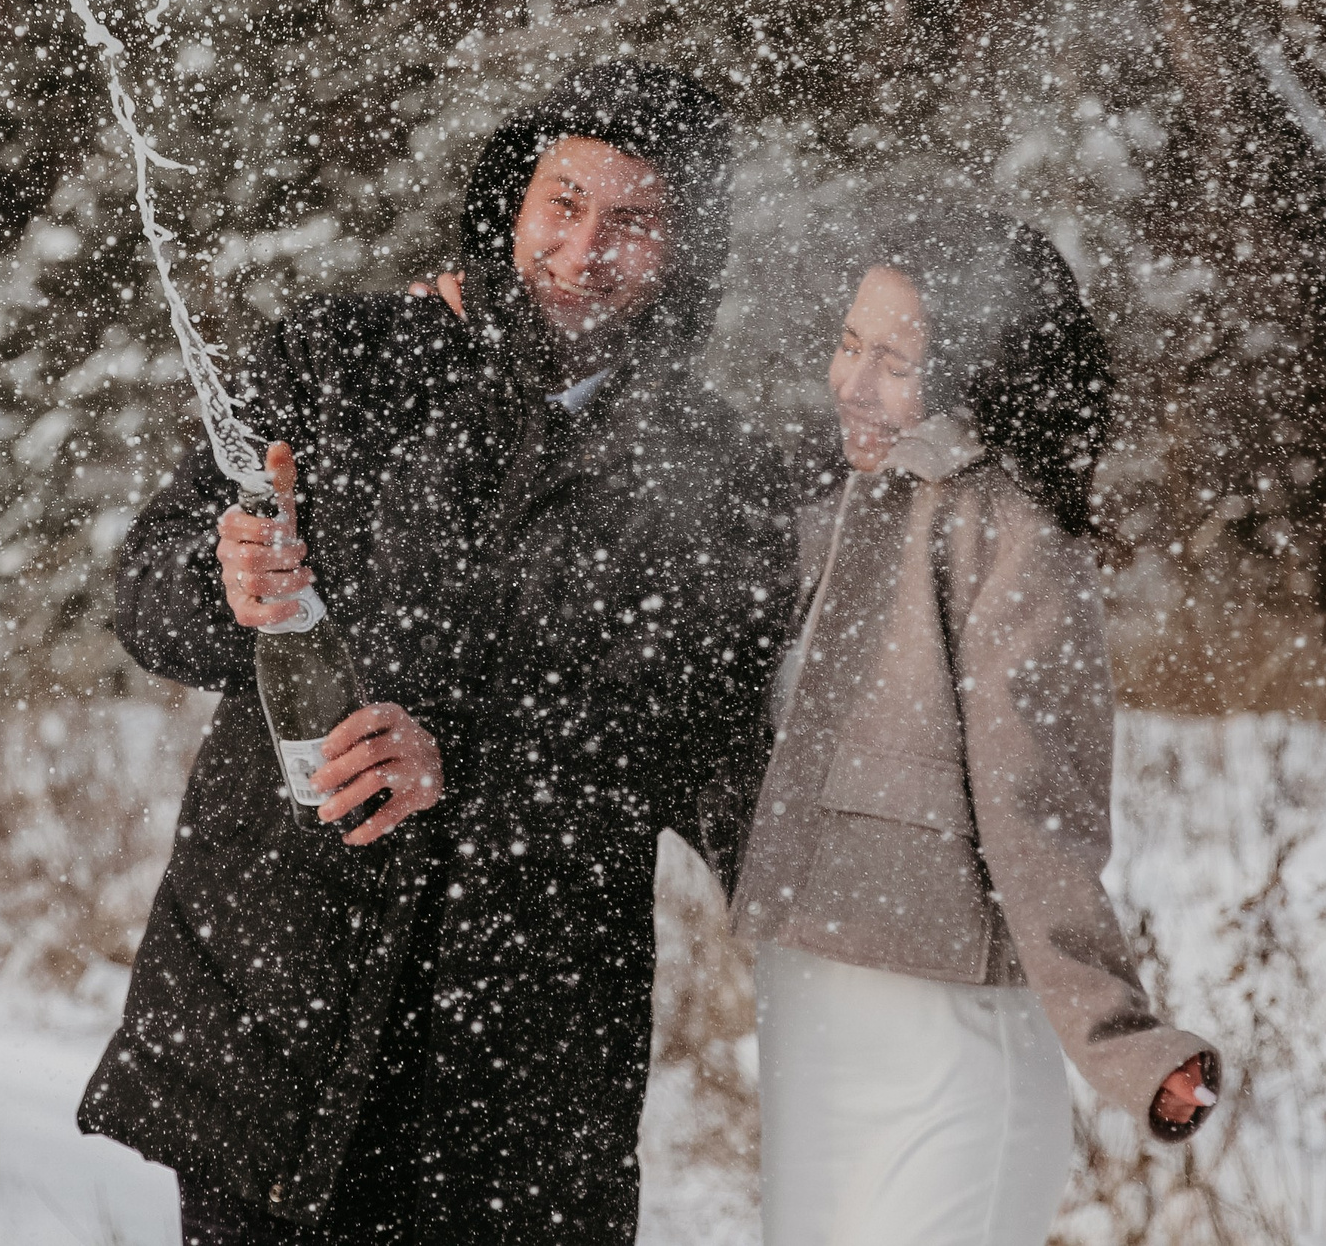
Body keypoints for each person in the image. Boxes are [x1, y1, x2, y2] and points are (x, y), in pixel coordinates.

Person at [79, 63, 795, 1246]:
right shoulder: (343, 359)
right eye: (561, 203)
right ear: (510, 201)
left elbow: (699, 750)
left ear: (689, 250)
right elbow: (148, 597)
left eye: (633, 222)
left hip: (514, 1055)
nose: (581, 251)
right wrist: (226, 582)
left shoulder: (715, 474)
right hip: (279, 992)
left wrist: (477, 761)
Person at [733, 190, 1221, 1246]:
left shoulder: (1008, 531)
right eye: (848, 342)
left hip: (946, 1029)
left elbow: (1031, 799)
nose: (849, 383)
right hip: (813, 1002)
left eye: (895, 363)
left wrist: (1118, 1038)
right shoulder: (832, 504)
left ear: (974, 375)